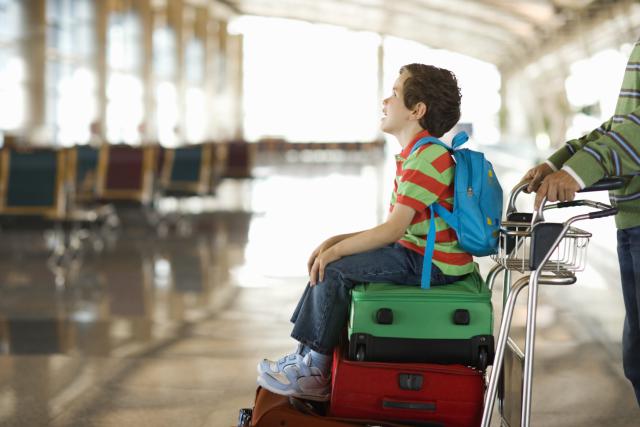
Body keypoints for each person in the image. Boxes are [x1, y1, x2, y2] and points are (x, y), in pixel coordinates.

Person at [256, 64, 475, 401]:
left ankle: (315, 370)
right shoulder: (418, 154)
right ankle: (303, 357)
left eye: (395, 93)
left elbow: (392, 231)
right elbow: (394, 231)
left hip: (433, 264)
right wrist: (336, 241)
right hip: (417, 253)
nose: (385, 101)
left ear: (417, 110)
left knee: (334, 267)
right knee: (330, 256)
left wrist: (338, 252)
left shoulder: (429, 157)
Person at [520, 40, 640, 407]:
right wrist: (562, 160)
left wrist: (579, 170)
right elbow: (621, 125)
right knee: (636, 358)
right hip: (632, 221)